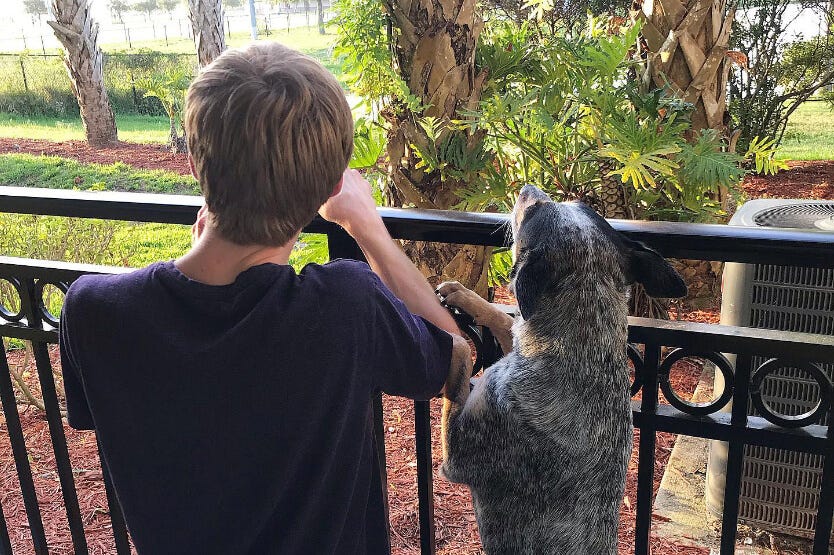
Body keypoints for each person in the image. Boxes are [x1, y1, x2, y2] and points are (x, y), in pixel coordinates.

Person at [59, 42, 470, 554]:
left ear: (193, 161)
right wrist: (368, 229)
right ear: (332, 185)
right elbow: (453, 356)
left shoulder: (94, 310)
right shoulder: (343, 306)